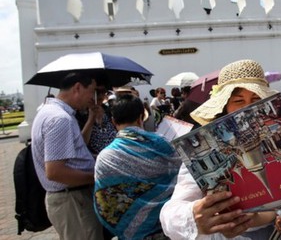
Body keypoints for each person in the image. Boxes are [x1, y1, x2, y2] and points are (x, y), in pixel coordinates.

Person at [160, 59, 281, 239]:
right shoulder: (205, 152)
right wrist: (194, 216)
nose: (248, 107)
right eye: (239, 101)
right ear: (225, 108)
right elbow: (170, 213)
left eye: (256, 99)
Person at [94, 94, 182, 239]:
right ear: (142, 117)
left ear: (113, 121)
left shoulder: (105, 156)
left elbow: (105, 202)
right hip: (167, 226)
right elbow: (181, 172)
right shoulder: (161, 142)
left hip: (132, 231)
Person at [31, 71, 104, 240]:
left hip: (70, 198)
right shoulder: (60, 119)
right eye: (91, 91)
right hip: (72, 199)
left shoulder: (52, 112)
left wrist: (91, 119)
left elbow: (77, 146)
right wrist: (97, 176)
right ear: (77, 88)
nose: (92, 97)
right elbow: (55, 172)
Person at [80, 84, 117, 157]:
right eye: (96, 91)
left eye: (103, 91)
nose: (100, 95)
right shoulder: (80, 114)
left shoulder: (109, 111)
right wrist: (91, 120)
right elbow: (81, 143)